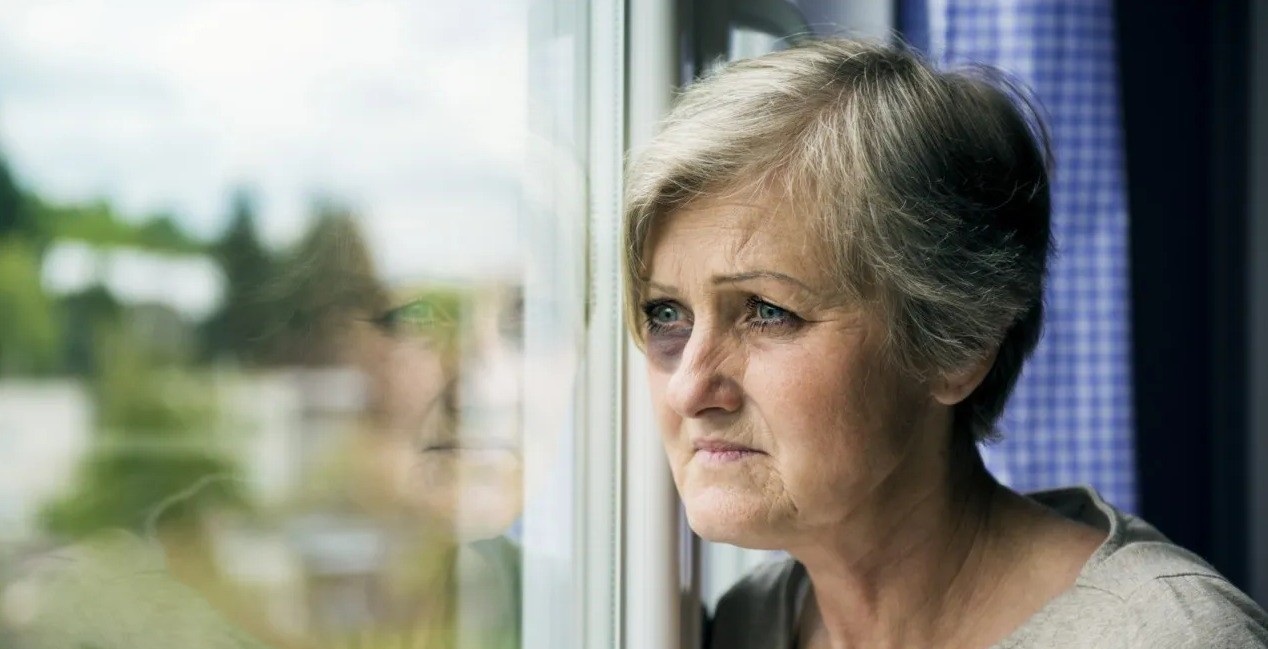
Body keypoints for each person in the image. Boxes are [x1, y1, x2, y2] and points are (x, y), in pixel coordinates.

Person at [622, 38, 1268, 648]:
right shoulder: (743, 623)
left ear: (958, 343)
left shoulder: (1167, 635)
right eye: (667, 311)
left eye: (767, 311)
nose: (689, 387)